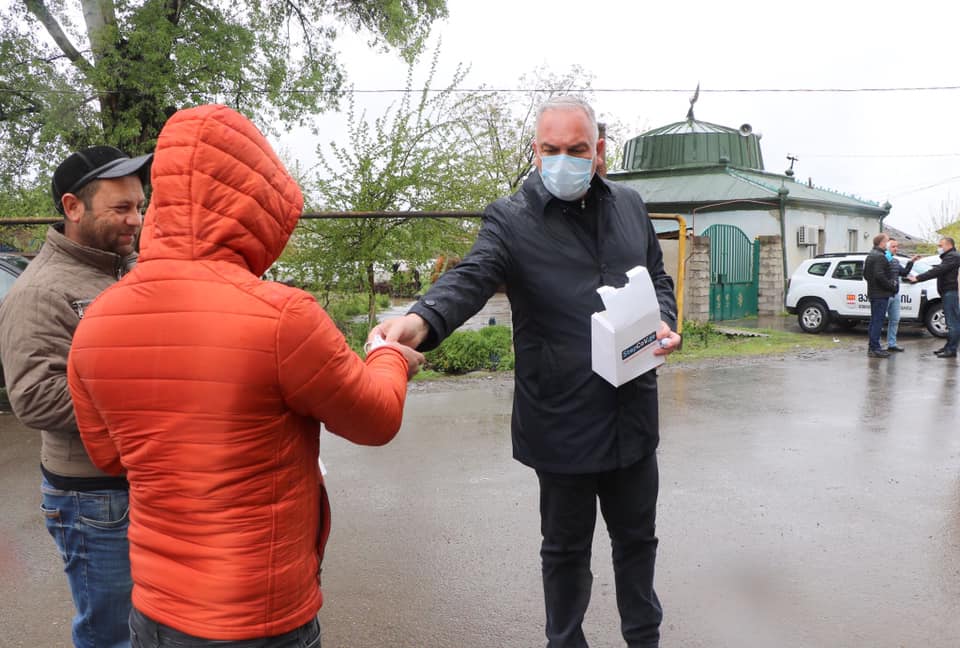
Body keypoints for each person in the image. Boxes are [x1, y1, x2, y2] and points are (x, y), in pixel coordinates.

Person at [67, 105, 424, 647]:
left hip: (156, 609)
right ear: (257, 205)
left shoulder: (97, 321)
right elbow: (376, 419)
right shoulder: (283, 316)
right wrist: (388, 355)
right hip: (259, 615)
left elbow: (109, 456)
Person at [373, 95, 680, 648]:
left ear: (599, 151)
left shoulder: (631, 206)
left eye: (577, 150)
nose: (564, 160)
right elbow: (472, 275)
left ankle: (645, 639)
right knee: (565, 553)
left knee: (638, 543)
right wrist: (420, 320)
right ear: (536, 152)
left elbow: (657, 276)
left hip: (632, 412)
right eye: (551, 149)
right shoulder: (511, 219)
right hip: (561, 420)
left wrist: (665, 320)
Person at [0, 145, 151, 648]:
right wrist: (151, 391)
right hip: (93, 497)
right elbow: (35, 398)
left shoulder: (123, 268)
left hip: (137, 480)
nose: (136, 220)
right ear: (73, 207)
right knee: (111, 632)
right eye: (121, 208)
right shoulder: (41, 292)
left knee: (149, 621)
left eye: (139, 206)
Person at [908, 236, 960, 358]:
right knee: (950, 322)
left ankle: (951, 349)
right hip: (947, 292)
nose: (939, 248)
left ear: (949, 245)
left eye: (940, 245)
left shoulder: (953, 257)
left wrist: (918, 278)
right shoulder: (949, 257)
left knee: (952, 322)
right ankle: (948, 346)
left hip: (950, 292)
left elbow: (938, 271)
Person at [862, 232, 897, 358]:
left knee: (874, 321)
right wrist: (890, 285)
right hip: (880, 294)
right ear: (882, 243)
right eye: (887, 241)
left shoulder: (871, 255)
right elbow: (879, 275)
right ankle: (875, 348)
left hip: (873, 292)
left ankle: (873, 346)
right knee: (877, 321)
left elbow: (866, 274)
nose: (888, 243)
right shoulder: (880, 257)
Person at [883, 238, 920, 352]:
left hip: (895, 294)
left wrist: (911, 261)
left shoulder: (895, 261)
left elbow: (904, 272)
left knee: (895, 320)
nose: (896, 249)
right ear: (887, 248)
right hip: (884, 294)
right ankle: (875, 346)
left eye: (897, 246)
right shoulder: (882, 260)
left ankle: (892, 344)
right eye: (893, 246)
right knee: (879, 320)